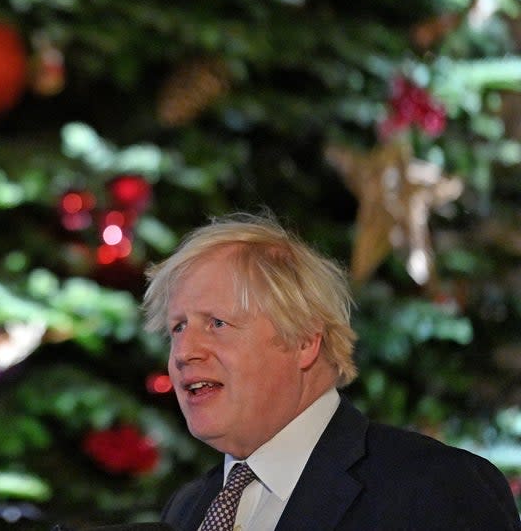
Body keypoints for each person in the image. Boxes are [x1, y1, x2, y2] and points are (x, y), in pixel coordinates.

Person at [141, 212, 521, 531]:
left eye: (217, 324)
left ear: (305, 341)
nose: (184, 352)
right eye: (178, 327)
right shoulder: (186, 509)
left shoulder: (435, 490)